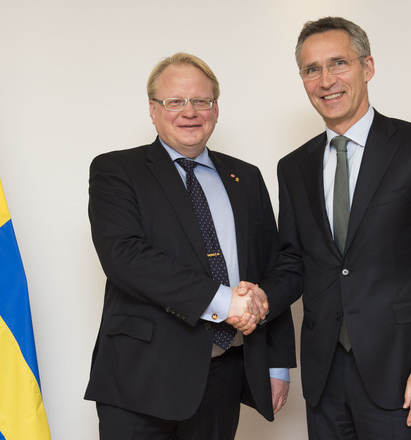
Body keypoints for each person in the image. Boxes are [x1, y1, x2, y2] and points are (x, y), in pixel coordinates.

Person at [258, 17, 411, 439]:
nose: (325, 80)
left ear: (367, 67)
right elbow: (293, 263)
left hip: (403, 373)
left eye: (338, 63)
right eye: (311, 69)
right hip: (324, 377)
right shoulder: (293, 167)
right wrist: (260, 299)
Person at [84, 52, 296, 440]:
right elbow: (125, 258)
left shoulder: (245, 177)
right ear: (153, 109)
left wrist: (276, 365)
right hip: (140, 378)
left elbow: (274, 268)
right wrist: (224, 302)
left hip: (224, 375)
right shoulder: (116, 171)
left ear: (215, 108)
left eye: (201, 101)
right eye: (175, 101)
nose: (190, 112)